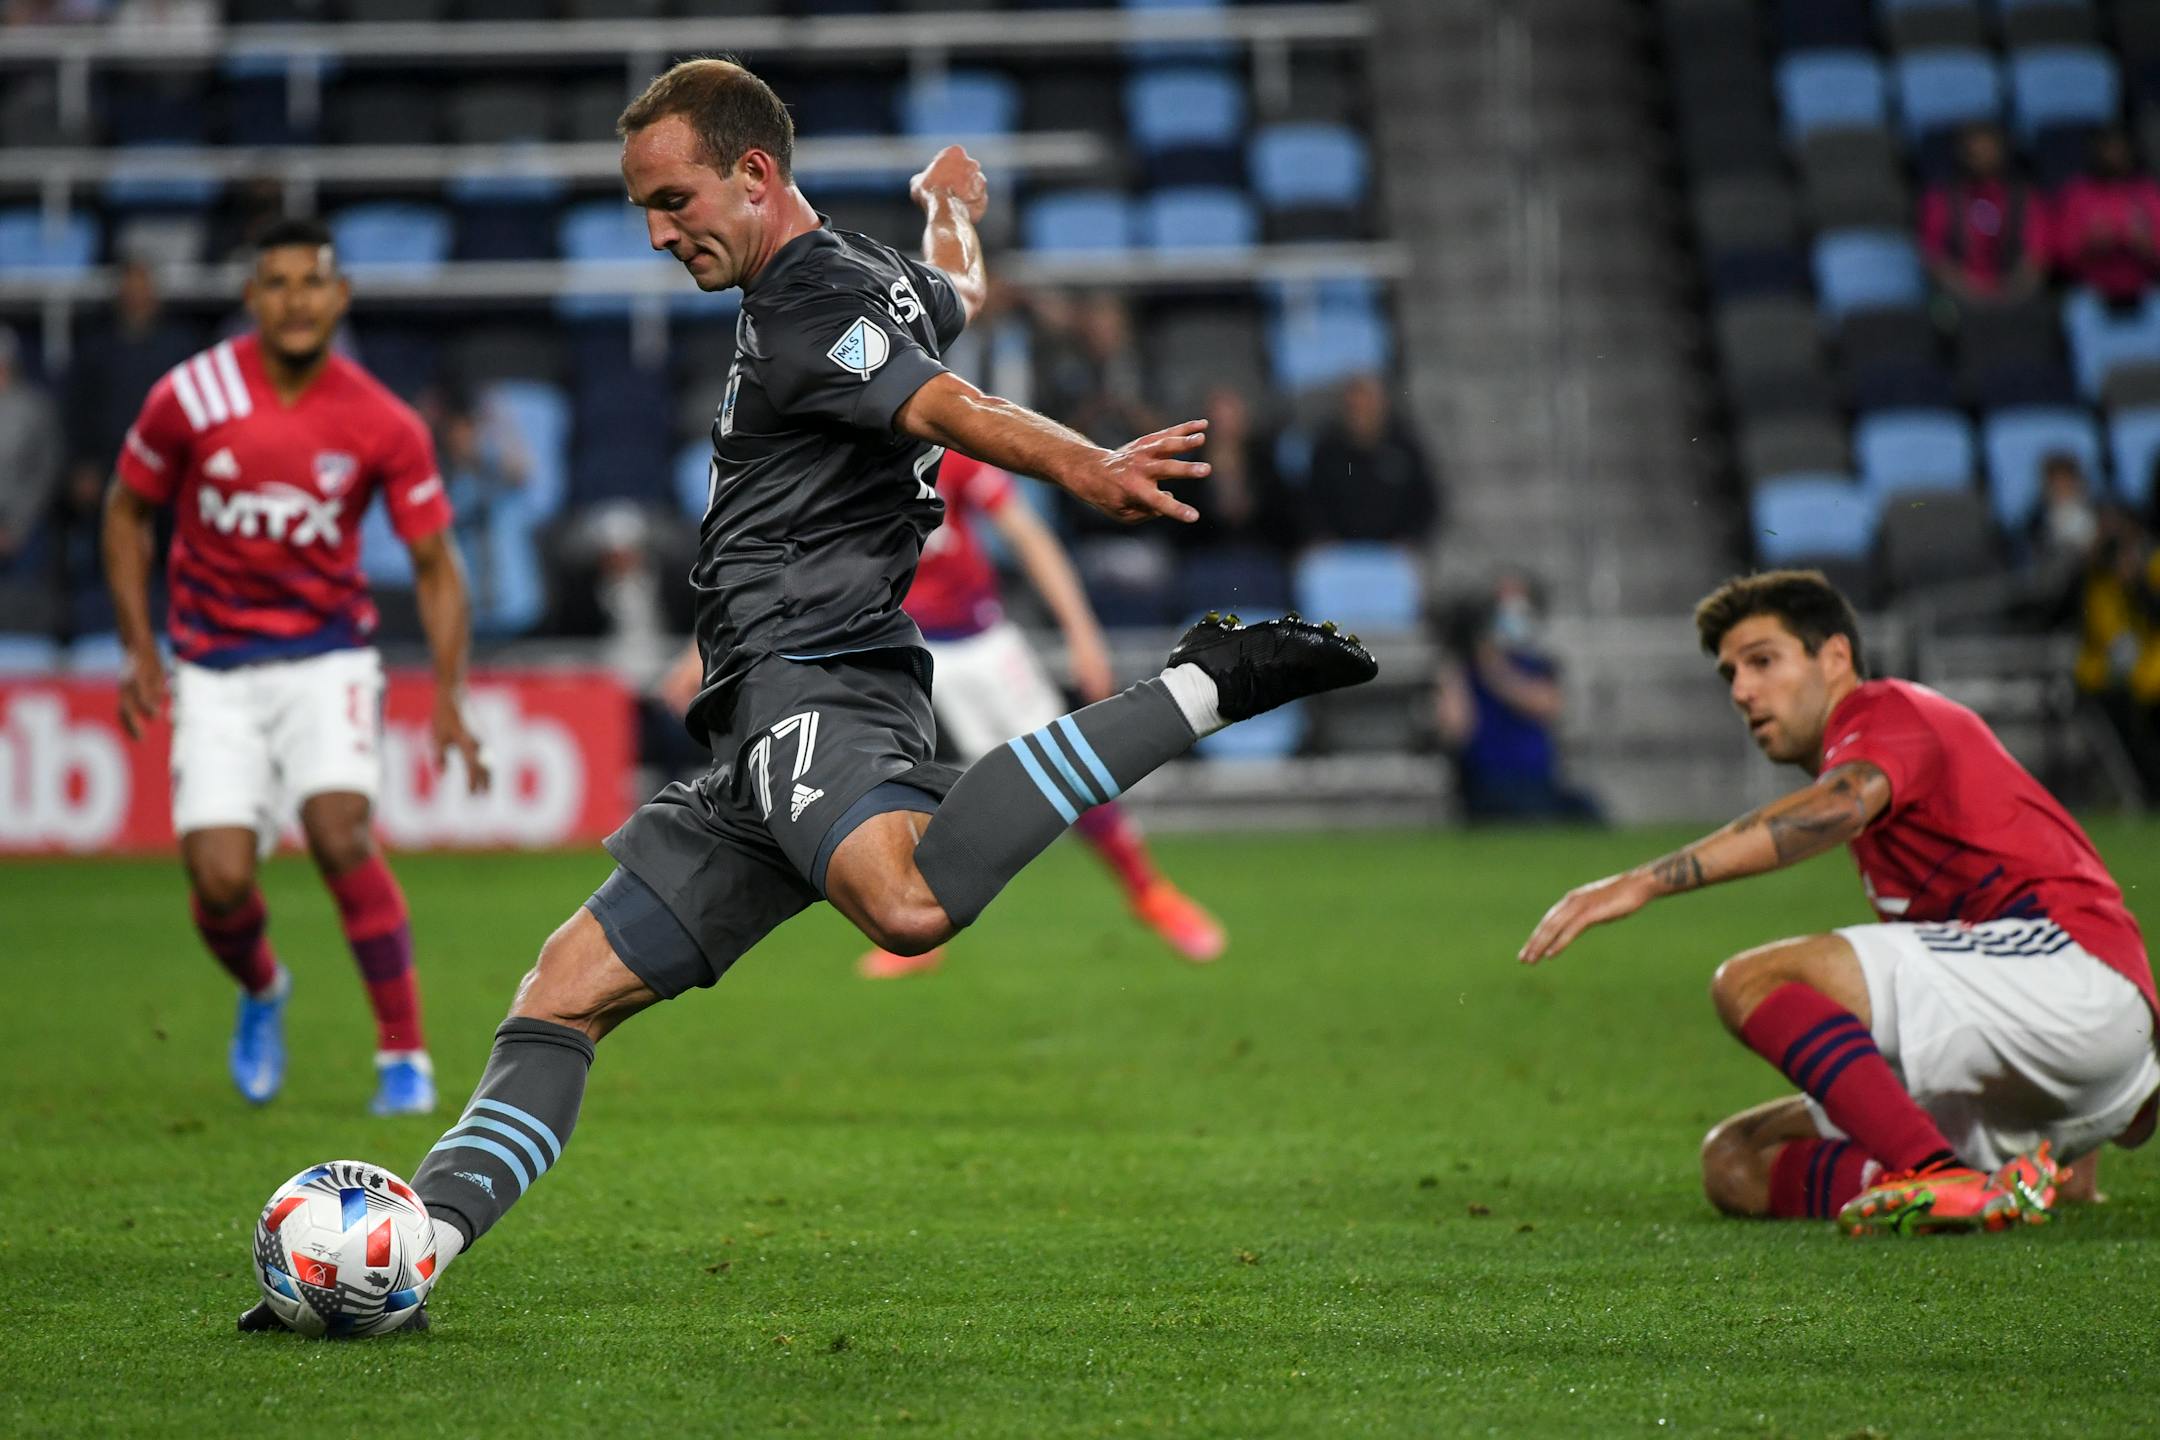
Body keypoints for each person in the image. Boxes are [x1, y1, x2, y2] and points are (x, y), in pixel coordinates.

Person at [232, 58, 1374, 1336]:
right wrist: (949, 205)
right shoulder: (868, 281)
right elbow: (960, 301)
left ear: (755, 173)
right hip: (756, 720)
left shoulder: (801, 306)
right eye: (645, 212)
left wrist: (1083, 464)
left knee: (907, 899)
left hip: (816, 678)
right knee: (558, 998)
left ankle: (1205, 685)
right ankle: (408, 1260)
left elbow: (955, 401)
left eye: (673, 202)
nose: (661, 235)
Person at [1519, 571, 2156, 1236]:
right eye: (1730, 673)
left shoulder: (1885, 710)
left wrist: (1646, 880)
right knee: (1736, 1161)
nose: (1742, 691)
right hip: (2069, 1069)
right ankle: (2003, 1184)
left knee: (1752, 980)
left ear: (1835, 658)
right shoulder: (1901, 787)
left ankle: (1933, 1172)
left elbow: (1838, 806)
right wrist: (2073, 1140)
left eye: (1763, 661)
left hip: (2073, 980)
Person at [102, 218, 490, 1118]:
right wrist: (136, 646)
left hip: (328, 658)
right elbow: (126, 514)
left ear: (339, 296)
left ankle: (404, 1056)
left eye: (311, 282)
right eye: (275, 283)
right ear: (253, 298)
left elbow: (436, 564)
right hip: (214, 667)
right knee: (222, 880)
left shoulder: (380, 420)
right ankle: (265, 986)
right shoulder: (189, 397)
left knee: (339, 830)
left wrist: (451, 696)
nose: (295, 300)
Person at [850, 450, 1226, 977]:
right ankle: (914, 931)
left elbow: (1027, 535)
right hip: (902, 647)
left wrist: (1081, 631)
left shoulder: (946, 451)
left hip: (980, 642)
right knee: (907, 788)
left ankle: (1149, 892)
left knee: (1066, 768)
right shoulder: (841, 461)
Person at [1433, 572, 1601, 823]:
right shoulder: (1463, 669)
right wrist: (1456, 662)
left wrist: (1494, 669)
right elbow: (1457, 729)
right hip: (1489, 786)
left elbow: (1549, 706)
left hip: (1539, 781)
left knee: (1589, 812)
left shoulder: (1538, 664)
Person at [1300, 373, 1442, 546]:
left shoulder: (1405, 449)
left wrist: (1411, 538)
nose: (1361, 413)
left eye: (1367, 405)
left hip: (1392, 551)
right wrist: (1321, 535)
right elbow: (1311, 503)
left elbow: (1426, 504)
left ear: (1382, 406)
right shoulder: (1327, 450)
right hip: (1337, 551)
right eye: (1354, 407)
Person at [1917, 123, 2046, 307]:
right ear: (1961, 153)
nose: (1980, 155)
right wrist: (1971, 295)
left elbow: (2036, 259)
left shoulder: (2026, 200)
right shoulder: (1940, 200)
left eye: (1987, 148)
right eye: (1973, 149)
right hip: (1958, 301)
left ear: (2002, 151)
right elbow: (1935, 260)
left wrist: (2007, 295)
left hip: (2015, 301)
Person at [2052, 128, 2160, 307]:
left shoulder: (2149, 193)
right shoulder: (2077, 194)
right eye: (2108, 148)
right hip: (2090, 293)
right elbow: (2061, 255)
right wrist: (2090, 247)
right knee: (2075, 304)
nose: (2113, 155)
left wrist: (2146, 246)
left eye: (2119, 149)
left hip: (2146, 291)